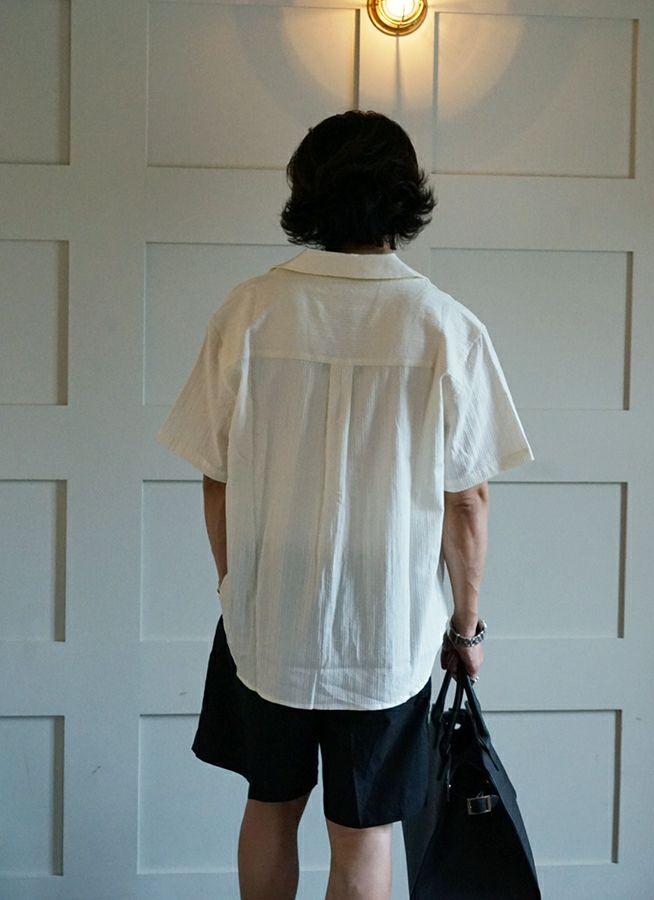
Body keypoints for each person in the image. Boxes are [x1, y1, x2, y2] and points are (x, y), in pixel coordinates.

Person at [156, 109, 534, 900]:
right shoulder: (444, 326)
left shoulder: (249, 311)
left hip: (267, 614)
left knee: (270, 805)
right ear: (405, 195)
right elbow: (468, 499)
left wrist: (232, 585)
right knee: (364, 832)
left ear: (307, 192)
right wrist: (466, 628)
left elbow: (215, 475)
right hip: (387, 624)